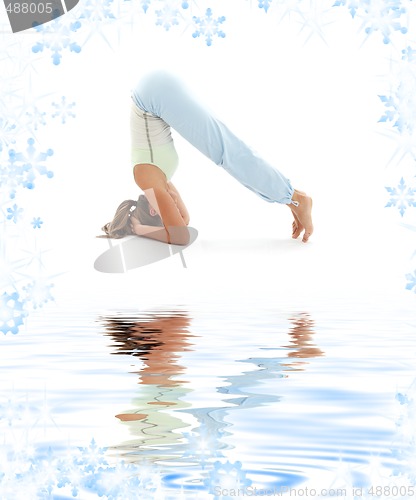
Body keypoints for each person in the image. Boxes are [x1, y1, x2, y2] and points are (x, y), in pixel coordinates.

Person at [101, 71, 313, 245]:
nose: (172, 206)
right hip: (155, 89)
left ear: (150, 209)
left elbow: (181, 236)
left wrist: (139, 229)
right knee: (228, 150)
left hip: (152, 95)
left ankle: (295, 197)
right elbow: (184, 220)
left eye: (162, 214)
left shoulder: (146, 178)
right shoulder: (159, 180)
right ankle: (291, 198)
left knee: (229, 153)